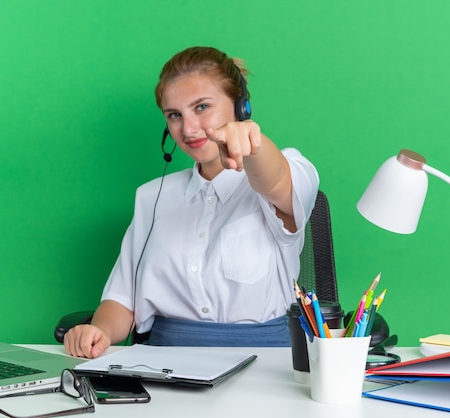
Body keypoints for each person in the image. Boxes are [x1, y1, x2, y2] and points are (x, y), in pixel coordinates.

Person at [64, 46, 319, 358]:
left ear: (241, 107)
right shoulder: (152, 196)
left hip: (263, 364)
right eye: (175, 115)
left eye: (201, 107)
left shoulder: (287, 171)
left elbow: (276, 180)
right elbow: (121, 299)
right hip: (163, 365)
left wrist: (252, 143)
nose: (188, 129)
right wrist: (100, 331)